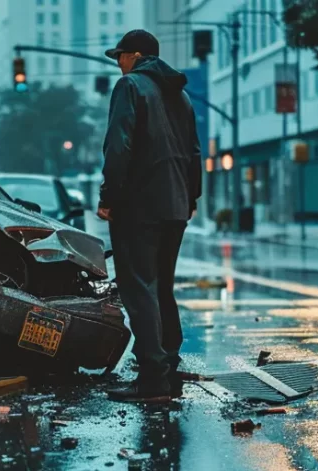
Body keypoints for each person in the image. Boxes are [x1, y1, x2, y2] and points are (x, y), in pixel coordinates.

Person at [97, 30, 202, 403]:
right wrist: (191, 197)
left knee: (138, 289)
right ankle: (168, 368)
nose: (118, 64)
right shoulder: (181, 94)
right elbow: (193, 151)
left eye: (121, 56)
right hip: (175, 206)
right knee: (161, 288)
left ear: (136, 55)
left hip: (139, 206)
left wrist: (109, 197)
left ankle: (152, 379)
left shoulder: (131, 87)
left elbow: (119, 144)